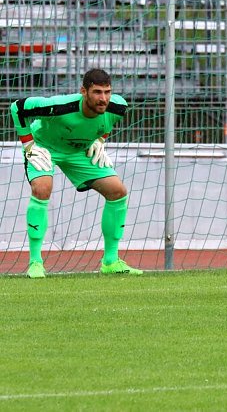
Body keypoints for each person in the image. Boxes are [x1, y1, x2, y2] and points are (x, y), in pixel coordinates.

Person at [10, 68, 142, 278]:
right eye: (97, 92)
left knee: (118, 191)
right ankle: (36, 263)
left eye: (107, 92)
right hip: (45, 148)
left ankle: (110, 262)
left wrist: (100, 140)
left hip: (79, 151)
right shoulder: (60, 106)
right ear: (83, 91)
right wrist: (29, 145)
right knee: (42, 188)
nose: (103, 98)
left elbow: (105, 124)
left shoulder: (118, 107)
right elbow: (17, 108)